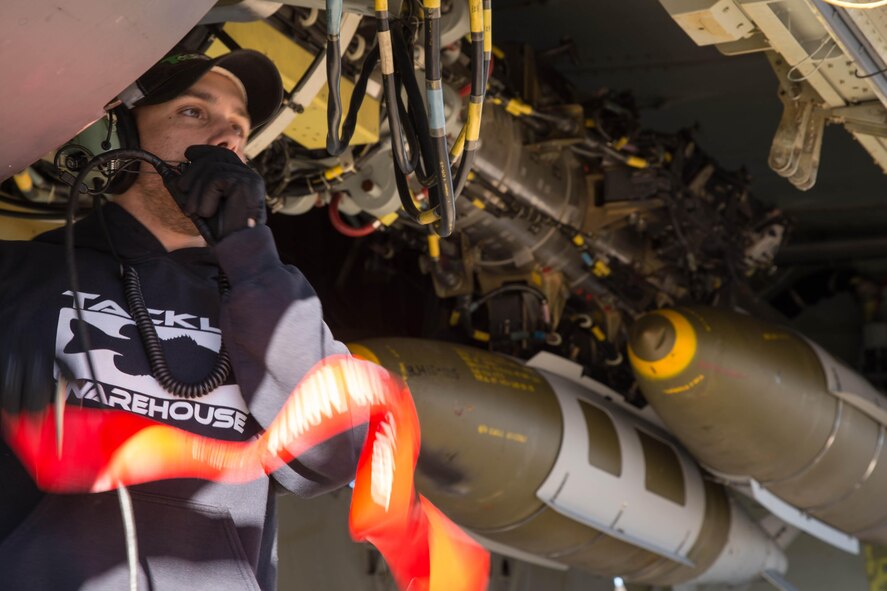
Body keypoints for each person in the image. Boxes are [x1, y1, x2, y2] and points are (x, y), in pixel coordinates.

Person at [0, 48, 364, 591]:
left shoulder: (271, 293)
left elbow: (337, 454)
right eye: (193, 112)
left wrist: (249, 251)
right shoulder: (21, 274)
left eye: (238, 128)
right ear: (120, 134)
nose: (224, 139)